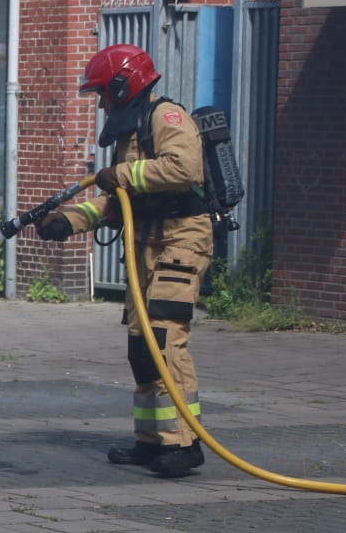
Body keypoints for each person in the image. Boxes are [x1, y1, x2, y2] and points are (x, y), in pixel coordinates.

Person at [36, 43, 213, 477]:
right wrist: (69, 221)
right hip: (147, 244)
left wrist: (119, 173)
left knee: (164, 340)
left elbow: (182, 169)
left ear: (121, 85)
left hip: (180, 241)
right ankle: (152, 440)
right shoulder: (130, 132)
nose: (101, 103)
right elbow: (121, 202)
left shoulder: (166, 118)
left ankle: (185, 443)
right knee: (141, 346)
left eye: (102, 93)